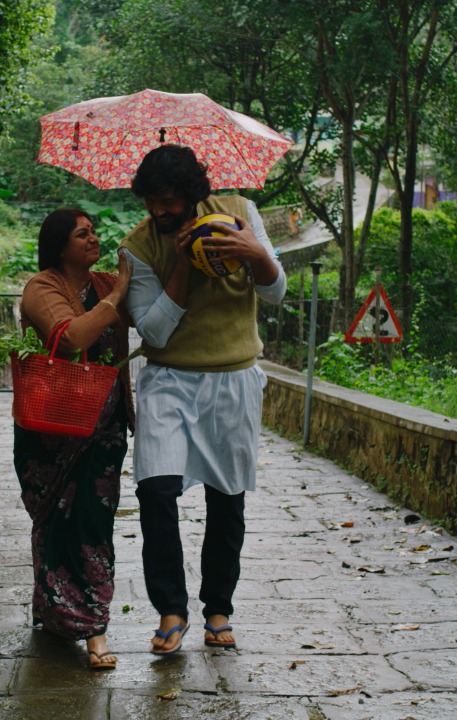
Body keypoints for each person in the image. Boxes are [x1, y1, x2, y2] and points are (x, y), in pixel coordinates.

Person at [118, 144, 286, 654]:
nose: (159, 211)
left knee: (226, 498)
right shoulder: (138, 247)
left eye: (168, 201)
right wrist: (183, 267)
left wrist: (254, 254)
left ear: (193, 194)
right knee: (156, 491)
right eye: (151, 201)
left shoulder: (239, 213)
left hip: (233, 381)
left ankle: (218, 610)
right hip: (169, 380)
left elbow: (276, 292)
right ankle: (171, 609)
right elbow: (153, 332)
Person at [14, 208, 134, 670]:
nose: (93, 238)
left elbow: (159, 307)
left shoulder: (106, 283)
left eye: (94, 232)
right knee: (54, 525)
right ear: (60, 245)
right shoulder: (42, 288)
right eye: (83, 234)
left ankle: (92, 626)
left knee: (92, 524)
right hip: (51, 433)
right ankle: (60, 615)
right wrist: (116, 297)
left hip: (105, 430)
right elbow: (68, 338)